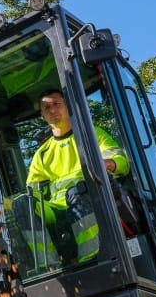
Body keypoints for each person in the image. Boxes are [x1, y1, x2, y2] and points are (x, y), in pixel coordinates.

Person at [25, 89, 129, 264]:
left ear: (68, 106)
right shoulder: (42, 154)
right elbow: (32, 192)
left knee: (76, 191)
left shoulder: (92, 135)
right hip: (56, 210)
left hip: (91, 199)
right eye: (46, 107)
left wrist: (108, 163)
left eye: (57, 104)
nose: (52, 110)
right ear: (42, 116)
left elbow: (122, 162)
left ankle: (93, 259)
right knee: (23, 204)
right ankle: (48, 265)